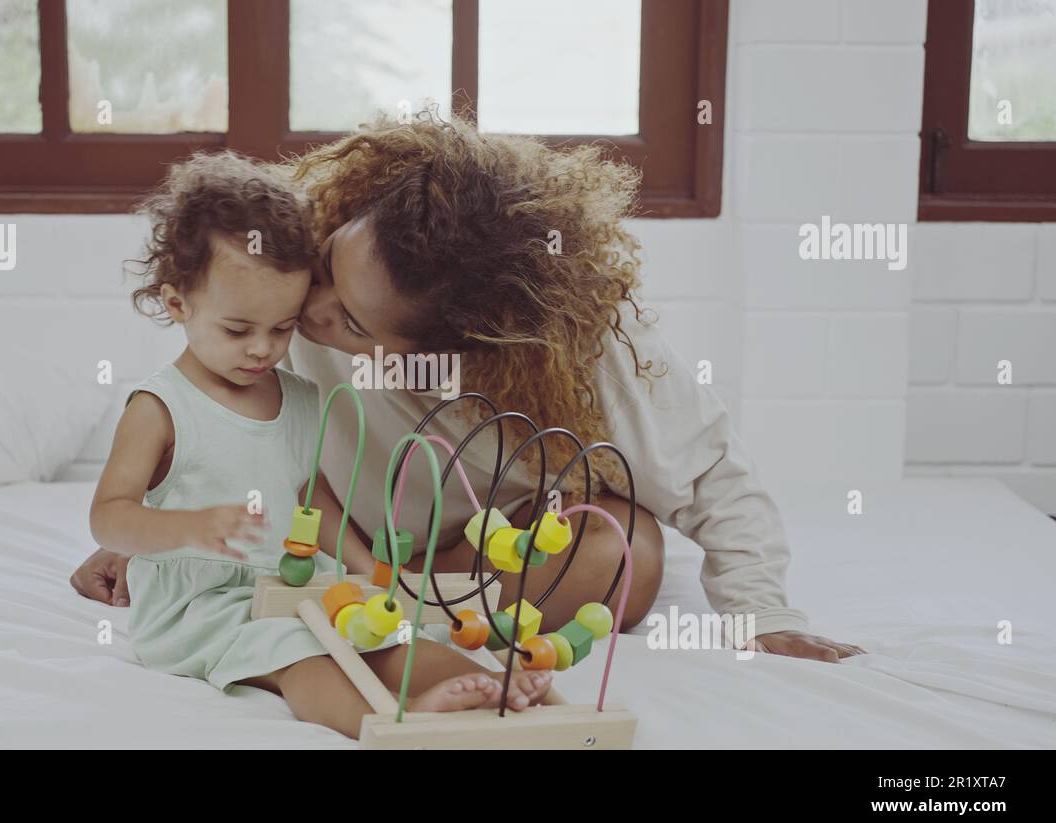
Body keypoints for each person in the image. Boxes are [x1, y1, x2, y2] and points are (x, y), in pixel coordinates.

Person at [74, 114, 864, 664]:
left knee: (626, 551)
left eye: (351, 321)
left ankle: (412, 614)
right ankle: (381, 606)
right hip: (331, 532)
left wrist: (765, 615)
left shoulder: (583, 361)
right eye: (328, 265)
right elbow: (219, 398)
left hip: (473, 555)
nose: (309, 313)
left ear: (457, 346)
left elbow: (713, 476)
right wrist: (144, 529)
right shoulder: (293, 270)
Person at [90, 150, 554, 739]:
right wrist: (188, 527)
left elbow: (311, 496)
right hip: (205, 602)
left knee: (384, 627)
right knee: (299, 651)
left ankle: (488, 686)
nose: (263, 349)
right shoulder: (160, 408)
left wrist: (370, 570)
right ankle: (381, 723)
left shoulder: (299, 397)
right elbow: (109, 517)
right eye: (238, 330)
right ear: (178, 303)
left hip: (291, 582)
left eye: (282, 328)